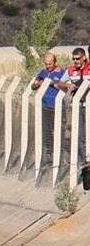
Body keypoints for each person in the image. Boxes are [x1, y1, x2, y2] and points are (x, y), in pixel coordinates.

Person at [32, 52, 66, 172]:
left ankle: (61, 155)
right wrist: (38, 84)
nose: (47, 67)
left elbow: (65, 86)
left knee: (59, 130)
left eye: (50, 64)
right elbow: (33, 86)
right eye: (46, 64)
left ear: (55, 62)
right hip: (45, 106)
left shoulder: (62, 73)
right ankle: (50, 153)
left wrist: (52, 83)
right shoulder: (43, 73)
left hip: (57, 106)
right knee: (46, 131)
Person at [64, 48, 90, 186]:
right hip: (79, 107)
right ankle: (85, 165)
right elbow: (60, 82)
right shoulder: (70, 70)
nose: (76, 61)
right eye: (74, 59)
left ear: (84, 57)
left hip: (89, 106)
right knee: (81, 136)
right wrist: (68, 85)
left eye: (78, 58)